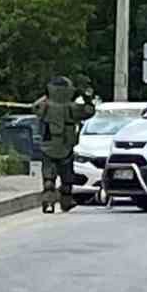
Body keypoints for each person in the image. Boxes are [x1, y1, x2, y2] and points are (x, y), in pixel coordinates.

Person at [33, 77, 97, 213]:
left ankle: (48, 202)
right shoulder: (72, 108)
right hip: (66, 145)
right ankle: (66, 201)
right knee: (67, 176)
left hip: (47, 144)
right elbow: (89, 111)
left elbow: (35, 107)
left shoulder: (45, 106)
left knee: (48, 176)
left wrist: (46, 96)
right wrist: (86, 98)